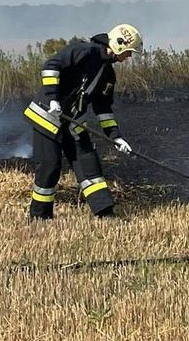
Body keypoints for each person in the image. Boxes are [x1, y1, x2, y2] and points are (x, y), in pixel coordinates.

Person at [22, 24, 141, 219]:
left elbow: (103, 109)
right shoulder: (83, 51)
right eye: (128, 52)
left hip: (73, 122)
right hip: (47, 115)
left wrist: (116, 138)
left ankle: (105, 213)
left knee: (89, 164)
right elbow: (51, 66)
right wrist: (53, 98)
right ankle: (39, 217)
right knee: (49, 167)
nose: (129, 57)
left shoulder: (108, 74)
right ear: (119, 45)